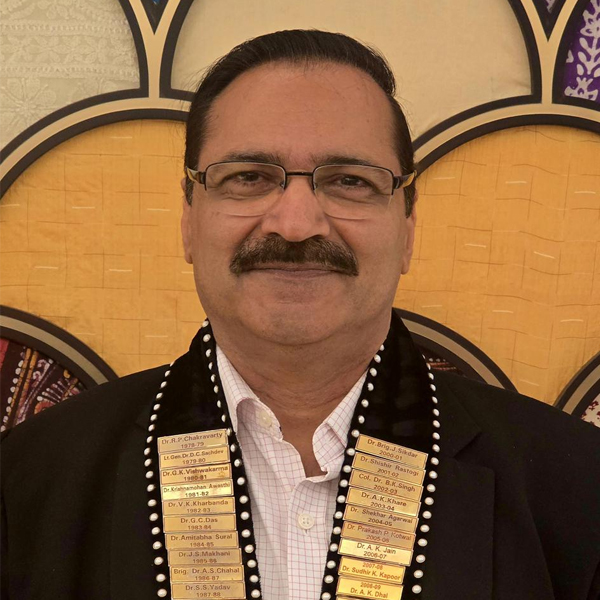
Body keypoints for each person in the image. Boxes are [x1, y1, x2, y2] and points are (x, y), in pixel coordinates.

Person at [1, 30, 599, 600]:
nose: (295, 224)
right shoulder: (29, 484)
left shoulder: (576, 488)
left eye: (349, 181)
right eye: (248, 177)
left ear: (408, 229)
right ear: (188, 220)